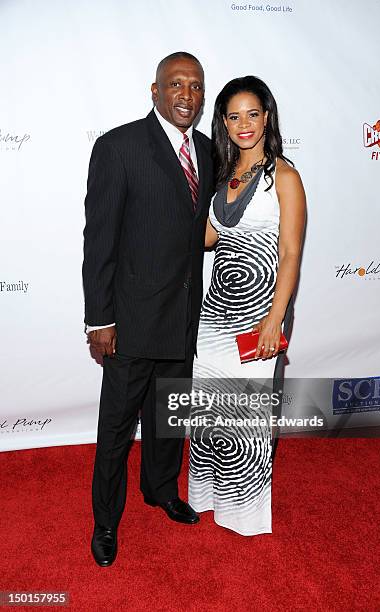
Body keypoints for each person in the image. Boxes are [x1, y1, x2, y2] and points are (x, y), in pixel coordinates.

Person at [82, 52, 213, 566]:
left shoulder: (207, 149)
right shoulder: (118, 147)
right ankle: (105, 521)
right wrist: (100, 318)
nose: (187, 94)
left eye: (196, 86)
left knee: (168, 417)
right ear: (154, 90)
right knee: (116, 428)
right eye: (176, 84)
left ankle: (160, 489)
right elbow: (100, 241)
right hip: (130, 322)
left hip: (183, 318)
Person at [188, 76, 306, 536]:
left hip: (258, 317)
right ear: (223, 122)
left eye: (252, 114)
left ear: (267, 117)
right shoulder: (223, 179)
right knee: (211, 412)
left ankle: (243, 513)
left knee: (247, 419)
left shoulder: (286, 177)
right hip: (214, 317)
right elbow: (211, 238)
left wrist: (275, 321)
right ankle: (210, 499)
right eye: (233, 116)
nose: (243, 124)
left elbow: (291, 253)